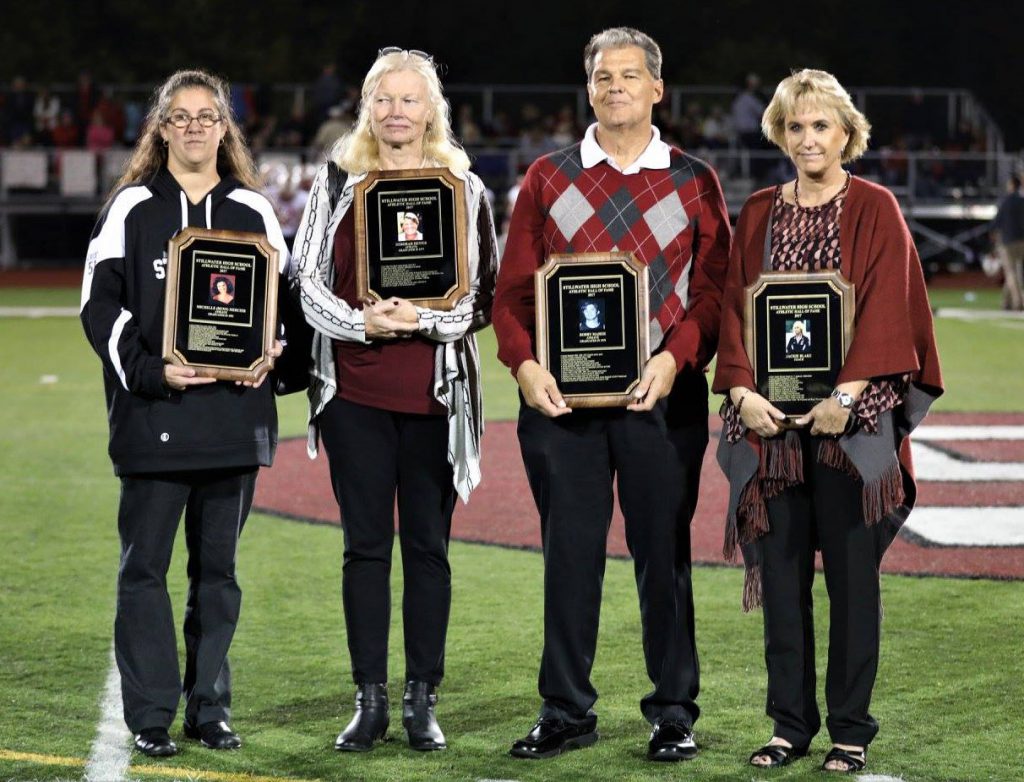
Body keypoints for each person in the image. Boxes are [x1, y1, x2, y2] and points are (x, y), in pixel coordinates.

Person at [493, 27, 731, 763]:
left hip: (665, 401)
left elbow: (717, 291)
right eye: (603, 76)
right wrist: (525, 367)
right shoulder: (546, 177)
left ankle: (673, 711)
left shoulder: (694, 178)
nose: (616, 86)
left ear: (658, 89)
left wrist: (676, 359)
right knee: (569, 556)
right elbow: (510, 296)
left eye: (631, 76)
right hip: (562, 408)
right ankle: (565, 709)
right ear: (588, 88)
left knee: (664, 558)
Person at [712, 69, 943, 774]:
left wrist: (843, 397)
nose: (807, 139)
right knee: (782, 587)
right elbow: (733, 306)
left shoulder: (874, 206)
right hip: (774, 432)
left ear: (846, 133)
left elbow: (890, 308)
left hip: (853, 427)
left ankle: (849, 730)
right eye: (794, 126)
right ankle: (789, 727)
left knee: (851, 586)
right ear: (779, 134)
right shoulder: (756, 211)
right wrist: (743, 388)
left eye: (820, 126)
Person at [292, 47, 498, 753]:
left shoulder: (464, 187)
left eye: (410, 100)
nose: (396, 112)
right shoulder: (336, 179)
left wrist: (422, 320)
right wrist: (363, 322)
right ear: (366, 107)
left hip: (436, 396)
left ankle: (421, 699)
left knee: (428, 548)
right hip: (354, 392)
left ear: (432, 108)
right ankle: (370, 697)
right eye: (383, 99)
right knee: (365, 548)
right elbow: (306, 280)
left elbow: (480, 296)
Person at [80, 69, 288, 759]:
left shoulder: (253, 211)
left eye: (208, 115)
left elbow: (279, 312)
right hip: (154, 417)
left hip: (233, 419)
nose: (195, 127)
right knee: (145, 570)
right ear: (161, 128)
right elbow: (98, 307)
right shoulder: (132, 207)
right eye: (180, 116)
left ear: (225, 127)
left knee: (218, 575)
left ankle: (209, 709)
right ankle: (148, 713)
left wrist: (275, 356)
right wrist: (150, 371)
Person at [992, 174, 1024, 311]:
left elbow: (996, 223)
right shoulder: (1022, 201)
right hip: (1022, 241)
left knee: (1011, 273)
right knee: (1016, 271)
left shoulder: (1005, 201)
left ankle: (1018, 302)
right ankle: (1006, 303)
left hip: (1008, 242)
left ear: (1011, 185)